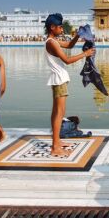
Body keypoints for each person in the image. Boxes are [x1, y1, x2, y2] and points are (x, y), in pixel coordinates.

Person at [44, 13, 95, 157]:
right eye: (59, 27)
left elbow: (69, 45)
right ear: (52, 27)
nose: (61, 29)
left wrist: (78, 36)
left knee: (57, 112)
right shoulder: (51, 42)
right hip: (59, 80)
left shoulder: (52, 41)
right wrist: (85, 54)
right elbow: (67, 60)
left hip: (59, 79)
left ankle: (57, 141)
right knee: (59, 113)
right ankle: (55, 147)